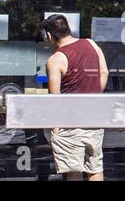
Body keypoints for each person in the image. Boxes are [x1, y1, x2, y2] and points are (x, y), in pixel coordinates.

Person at [41, 14, 109, 181]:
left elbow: (54, 99)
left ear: (49, 35)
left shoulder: (55, 60)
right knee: (95, 168)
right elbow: (104, 72)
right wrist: (93, 94)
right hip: (94, 117)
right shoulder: (91, 44)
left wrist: (55, 129)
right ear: (68, 29)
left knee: (73, 171)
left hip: (69, 122)